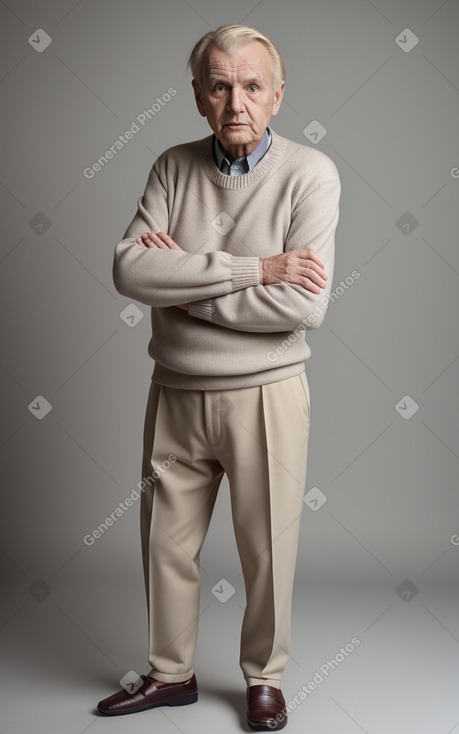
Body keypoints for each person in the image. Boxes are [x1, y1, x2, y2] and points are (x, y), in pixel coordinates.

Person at [97, 23, 340, 731]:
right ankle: (170, 674)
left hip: (266, 394)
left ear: (277, 96)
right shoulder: (171, 167)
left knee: (267, 545)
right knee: (163, 542)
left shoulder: (309, 174)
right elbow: (129, 270)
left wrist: (184, 277)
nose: (237, 101)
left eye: (252, 86)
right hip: (173, 390)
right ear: (200, 97)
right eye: (220, 85)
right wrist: (253, 268)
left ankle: (263, 678)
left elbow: (304, 305)